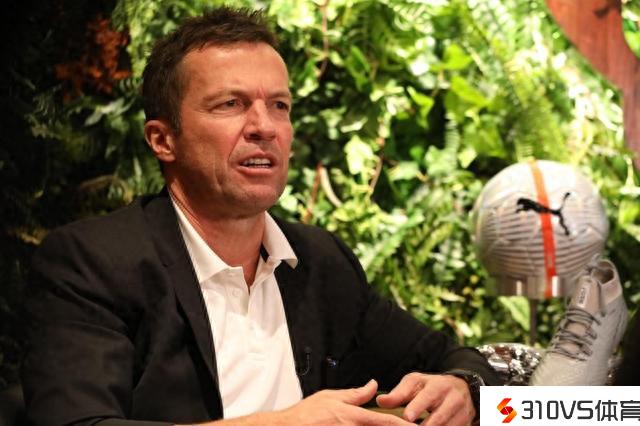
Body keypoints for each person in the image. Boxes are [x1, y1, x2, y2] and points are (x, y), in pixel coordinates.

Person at [22, 7, 500, 425]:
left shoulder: (319, 261)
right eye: (231, 104)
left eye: (279, 105)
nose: (264, 127)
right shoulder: (92, 263)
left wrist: (463, 387)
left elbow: (452, 359)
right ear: (163, 140)